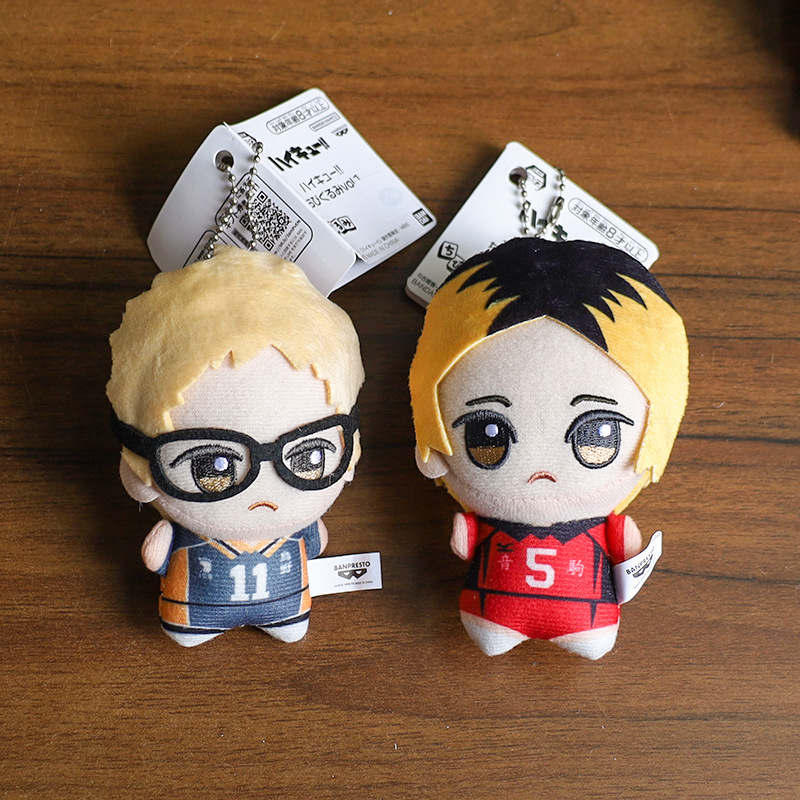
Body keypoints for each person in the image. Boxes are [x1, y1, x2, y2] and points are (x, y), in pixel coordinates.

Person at [409, 238, 688, 659]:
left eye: (596, 436)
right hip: (498, 609)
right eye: (489, 436)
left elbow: (465, 545)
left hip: (577, 612)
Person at [107, 246, 364, 647]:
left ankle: (280, 620)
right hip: (193, 610)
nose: (264, 490)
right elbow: (157, 555)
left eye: (308, 458)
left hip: (284, 606)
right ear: (139, 468)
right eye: (212, 467)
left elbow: (155, 557)